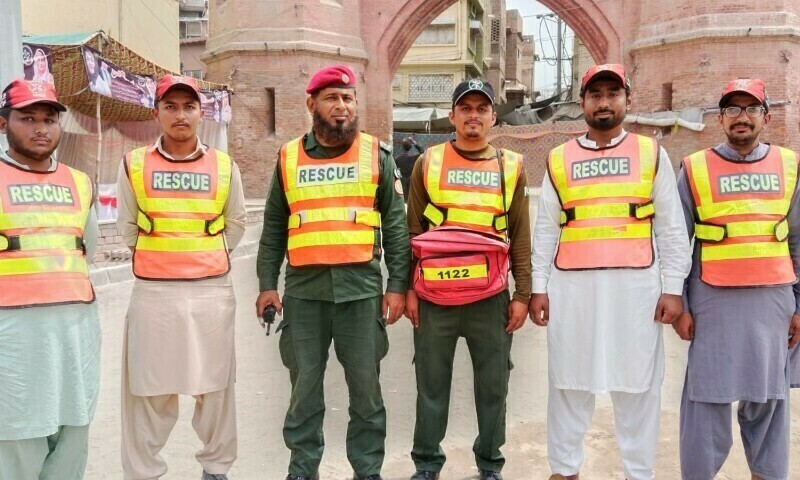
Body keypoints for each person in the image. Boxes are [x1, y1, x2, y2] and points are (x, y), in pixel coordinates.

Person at [529, 64, 691, 480]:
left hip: (635, 289)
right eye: (595, 94)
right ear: (582, 103)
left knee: (638, 386)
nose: (604, 102)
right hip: (572, 290)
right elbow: (545, 229)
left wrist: (673, 288)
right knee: (568, 383)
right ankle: (564, 470)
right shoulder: (559, 158)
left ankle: (639, 472)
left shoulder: (651, 152)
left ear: (627, 100)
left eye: (612, 94)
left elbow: (672, 227)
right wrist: (539, 288)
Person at [255, 65, 410, 480]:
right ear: (312, 104)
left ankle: (367, 470)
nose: (341, 106)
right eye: (331, 98)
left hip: (360, 293)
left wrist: (397, 286)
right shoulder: (289, 158)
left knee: (366, 392)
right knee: (304, 391)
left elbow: (395, 226)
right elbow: (273, 226)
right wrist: (267, 284)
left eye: (348, 98)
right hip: (305, 294)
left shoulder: (376, 155)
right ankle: (303, 469)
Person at [116, 74, 247, 480]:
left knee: (215, 387)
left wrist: (207, 254)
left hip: (211, 290)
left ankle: (216, 468)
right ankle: (144, 472)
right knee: (147, 389)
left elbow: (236, 221)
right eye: (170, 106)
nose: (180, 115)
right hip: (153, 292)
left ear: (200, 112)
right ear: (156, 112)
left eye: (188, 106)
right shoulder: (134, 163)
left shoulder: (224, 166)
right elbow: (126, 225)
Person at [404, 79, 532, 480]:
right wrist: (408, 289)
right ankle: (427, 465)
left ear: (493, 116)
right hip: (433, 295)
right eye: (465, 107)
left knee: (494, 388)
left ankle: (490, 465)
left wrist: (522, 293)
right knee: (431, 387)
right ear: (452, 115)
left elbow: (520, 233)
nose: (473, 115)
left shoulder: (510, 166)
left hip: (490, 297)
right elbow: (410, 232)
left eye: (481, 108)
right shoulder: (429, 162)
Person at [673, 78, 800, 480]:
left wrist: (799, 305)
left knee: (769, 401)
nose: (741, 118)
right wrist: (682, 304)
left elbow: (797, 241)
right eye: (732, 109)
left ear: (765, 116)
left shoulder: (790, 165)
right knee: (705, 399)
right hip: (712, 301)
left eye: (749, 109)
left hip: (773, 303)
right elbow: (677, 243)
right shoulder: (694, 169)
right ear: (720, 119)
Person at [0, 79, 100, 479]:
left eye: (49, 119)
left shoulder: (79, 182)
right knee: (18, 441)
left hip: (75, 334)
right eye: (27, 118)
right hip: (14, 339)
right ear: (4, 123)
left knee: (72, 436)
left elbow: (85, 251)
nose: (41, 128)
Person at [394, 137, 421, 203]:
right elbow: (423, 152)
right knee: (410, 201)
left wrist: (399, 179)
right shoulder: (414, 157)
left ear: (402, 148)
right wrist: (414, 142)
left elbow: (395, 171)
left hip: (401, 183)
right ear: (410, 148)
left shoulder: (397, 159)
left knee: (401, 201)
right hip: (411, 182)